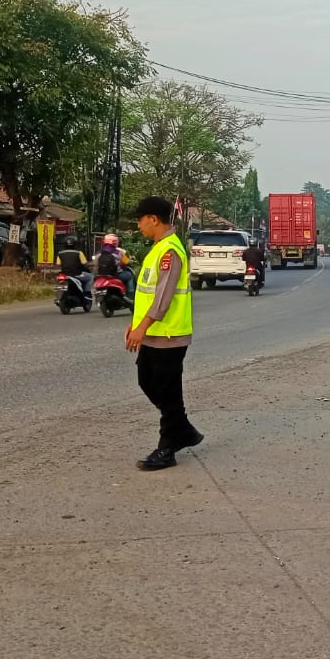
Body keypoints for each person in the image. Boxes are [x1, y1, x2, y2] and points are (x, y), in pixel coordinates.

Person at [126, 196, 202, 471]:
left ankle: (167, 447)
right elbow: (146, 294)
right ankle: (183, 430)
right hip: (154, 333)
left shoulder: (170, 251)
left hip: (169, 335)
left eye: (140, 220)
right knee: (147, 380)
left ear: (153, 219)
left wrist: (142, 327)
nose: (139, 226)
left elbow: (163, 298)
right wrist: (135, 325)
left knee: (167, 391)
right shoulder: (158, 249)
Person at [56, 236, 92, 300]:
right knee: (90, 277)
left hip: (65, 275)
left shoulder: (60, 253)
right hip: (77, 274)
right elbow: (85, 263)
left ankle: (60, 298)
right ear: (75, 244)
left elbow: (58, 264)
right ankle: (87, 293)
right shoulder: (79, 253)